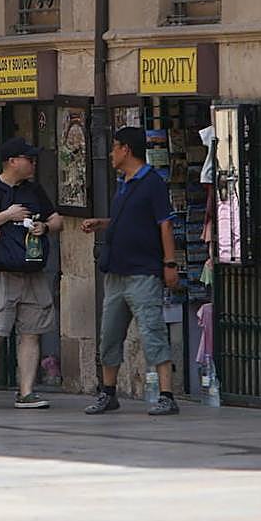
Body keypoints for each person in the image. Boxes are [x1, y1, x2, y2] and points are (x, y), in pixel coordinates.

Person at [81, 126, 181, 416]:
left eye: (114, 147)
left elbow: (165, 224)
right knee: (109, 335)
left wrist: (170, 264)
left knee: (152, 331)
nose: (111, 153)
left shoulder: (152, 183)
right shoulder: (123, 183)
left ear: (126, 149)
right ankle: (108, 392)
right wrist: (102, 224)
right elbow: (129, 220)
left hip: (142, 273)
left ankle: (166, 395)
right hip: (116, 273)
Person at [0, 137, 64, 409]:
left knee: (31, 332)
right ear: (12, 161)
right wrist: (7, 215)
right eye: (28, 159)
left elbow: (57, 219)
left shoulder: (34, 190)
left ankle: (26, 391)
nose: (33, 164)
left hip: (32, 269)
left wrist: (45, 227)